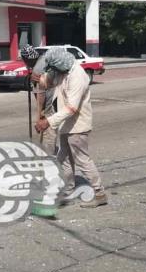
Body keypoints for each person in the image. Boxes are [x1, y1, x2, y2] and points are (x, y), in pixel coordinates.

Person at [34, 47, 107, 208]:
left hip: (78, 126)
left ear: (60, 64)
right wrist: (38, 78)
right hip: (66, 125)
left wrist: (47, 122)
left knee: (82, 160)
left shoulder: (77, 76)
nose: (53, 71)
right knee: (64, 160)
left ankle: (100, 193)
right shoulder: (62, 71)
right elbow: (48, 81)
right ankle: (68, 191)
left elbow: (71, 108)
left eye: (54, 68)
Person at [19, 44, 57, 156]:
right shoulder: (44, 61)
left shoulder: (37, 70)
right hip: (57, 103)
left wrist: (40, 117)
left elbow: (40, 96)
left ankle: (49, 162)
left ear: (27, 59)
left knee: (48, 136)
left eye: (24, 60)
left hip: (49, 108)